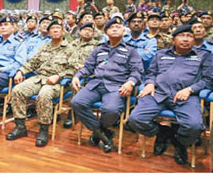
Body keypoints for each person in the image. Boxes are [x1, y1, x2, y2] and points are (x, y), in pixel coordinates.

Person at [127, 24, 212, 165]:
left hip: (186, 97)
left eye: (189, 36)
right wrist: (149, 83)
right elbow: (151, 73)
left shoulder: (203, 55)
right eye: (182, 36)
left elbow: (208, 79)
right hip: (158, 94)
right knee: (135, 119)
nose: (186, 39)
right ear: (173, 40)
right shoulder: (161, 54)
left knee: (195, 126)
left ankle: (179, 142)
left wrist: (190, 89)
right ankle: (162, 132)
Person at [70, 18, 144, 153]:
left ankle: (99, 132)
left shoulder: (131, 50)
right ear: (106, 32)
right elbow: (88, 67)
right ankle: (102, 133)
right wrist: (77, 76)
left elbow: (137, 71)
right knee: (77, 102)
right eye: (111, 27)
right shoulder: (99, 49)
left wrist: (130, 82)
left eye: (118, 26)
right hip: (95, 84)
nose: (115, 29)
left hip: (116, 87)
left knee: (111, 110)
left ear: (124, 31)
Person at [6, 20, 76, 146]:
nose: (55, 30)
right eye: (52, 29)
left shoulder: (70, 48)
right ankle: (20, 126)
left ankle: (43, 129)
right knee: (17, 90)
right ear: (48, 33)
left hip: (57, 83)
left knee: (44, 95)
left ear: (63, 31)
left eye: (58, 28)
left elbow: (73, 68)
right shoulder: (44, 46)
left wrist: (58, 76)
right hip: (39, 78)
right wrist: (20, 71)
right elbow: (33, 62)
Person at [62, 22, 98, 128]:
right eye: (85, 29)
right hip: (69, 71)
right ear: (80, 31)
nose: (87, 32)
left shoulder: (97, 45)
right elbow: (65, 57)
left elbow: (100, 62)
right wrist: (75, 65)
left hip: (87, 75)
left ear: (93, 33)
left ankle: (72, 115)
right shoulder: (72, 44)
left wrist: (84, 66)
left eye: (90, 30)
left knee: (77, 84)